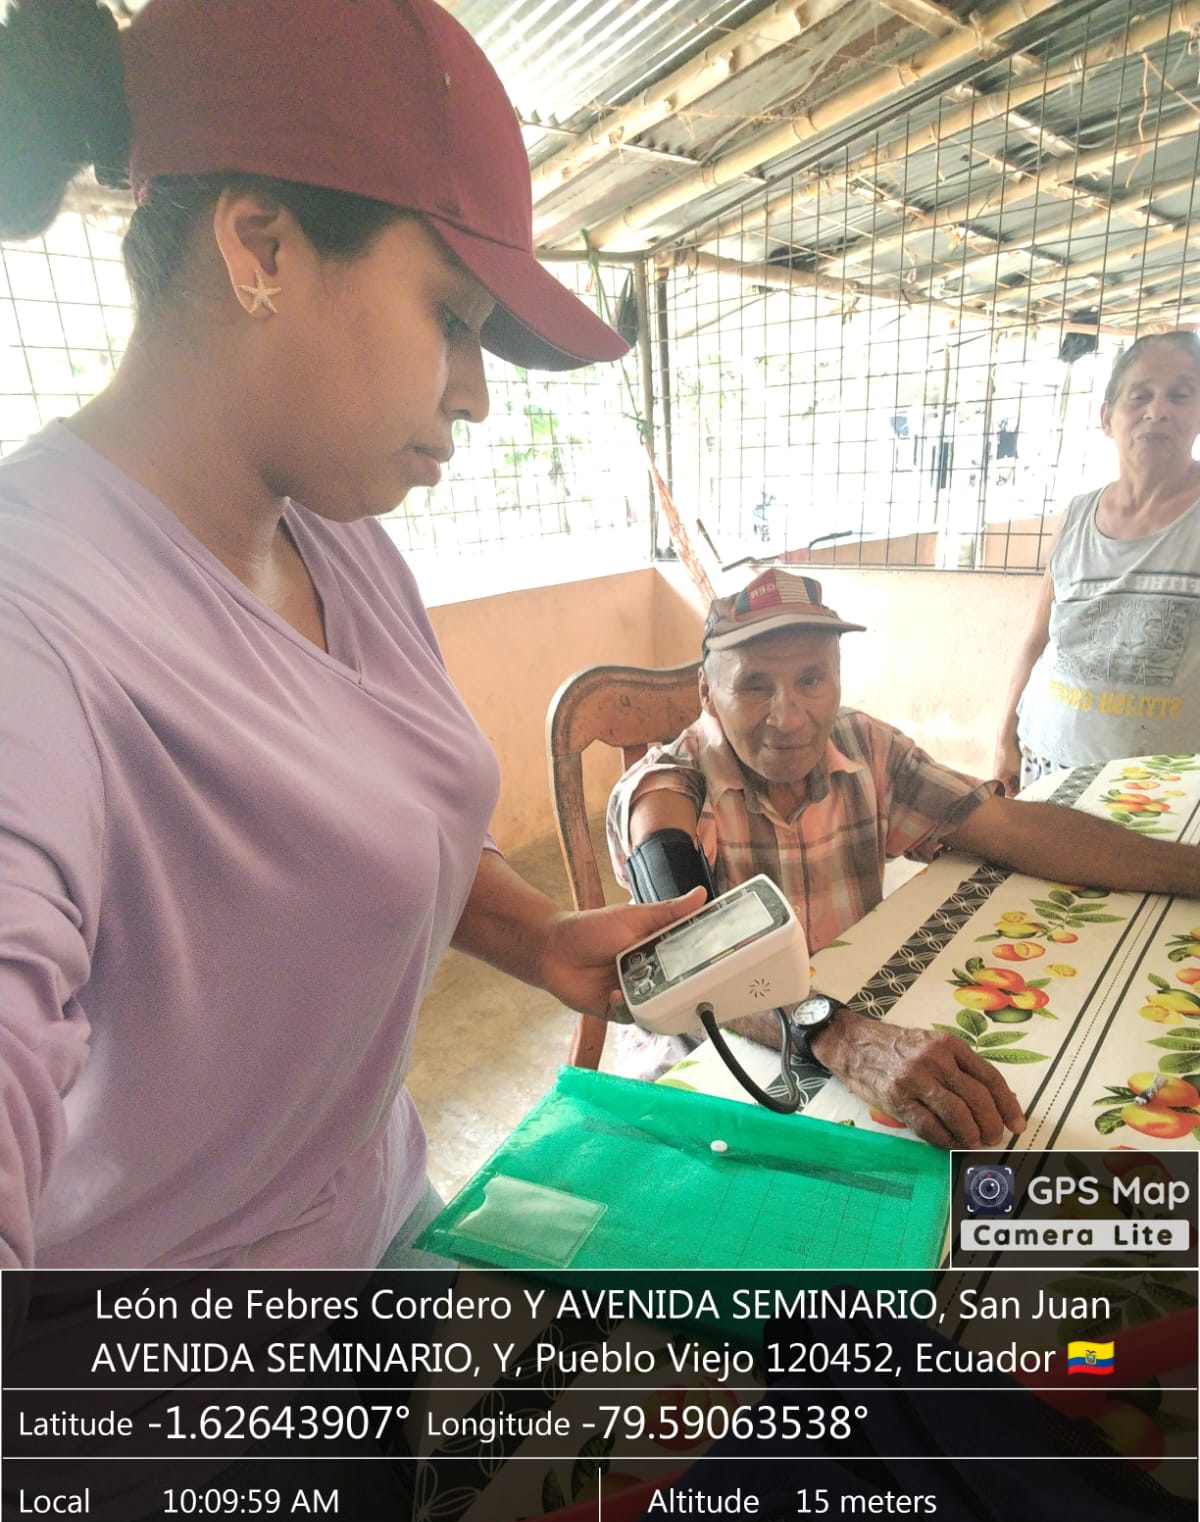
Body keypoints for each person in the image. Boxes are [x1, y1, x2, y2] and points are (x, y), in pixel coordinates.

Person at [0, 0, 703, 1271]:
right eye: (453, 319)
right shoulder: (34, 622)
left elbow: (387, 817)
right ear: (260, 244)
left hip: (387, 1231)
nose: (477, 397)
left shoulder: (342, 545)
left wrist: (540, 938)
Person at [606, 568, 1200, 1148]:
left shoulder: (865, 747)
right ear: (707, 692)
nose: (789, 717)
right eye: (755, 686)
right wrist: (843, 1037)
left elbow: (1012, 828)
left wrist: (1189, 870)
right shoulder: (667, 790)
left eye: (812, 679)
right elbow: (695, 960)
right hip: (706, 1066)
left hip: (852, 1015)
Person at [995, 330, 1200, 794]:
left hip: (1161, 790)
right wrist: (1005, 736)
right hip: (1045, 764)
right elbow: (1038, 639)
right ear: (1108, 418)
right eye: (1140, 395)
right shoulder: (1076, 516)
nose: (1158, 410)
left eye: (1180, 395)